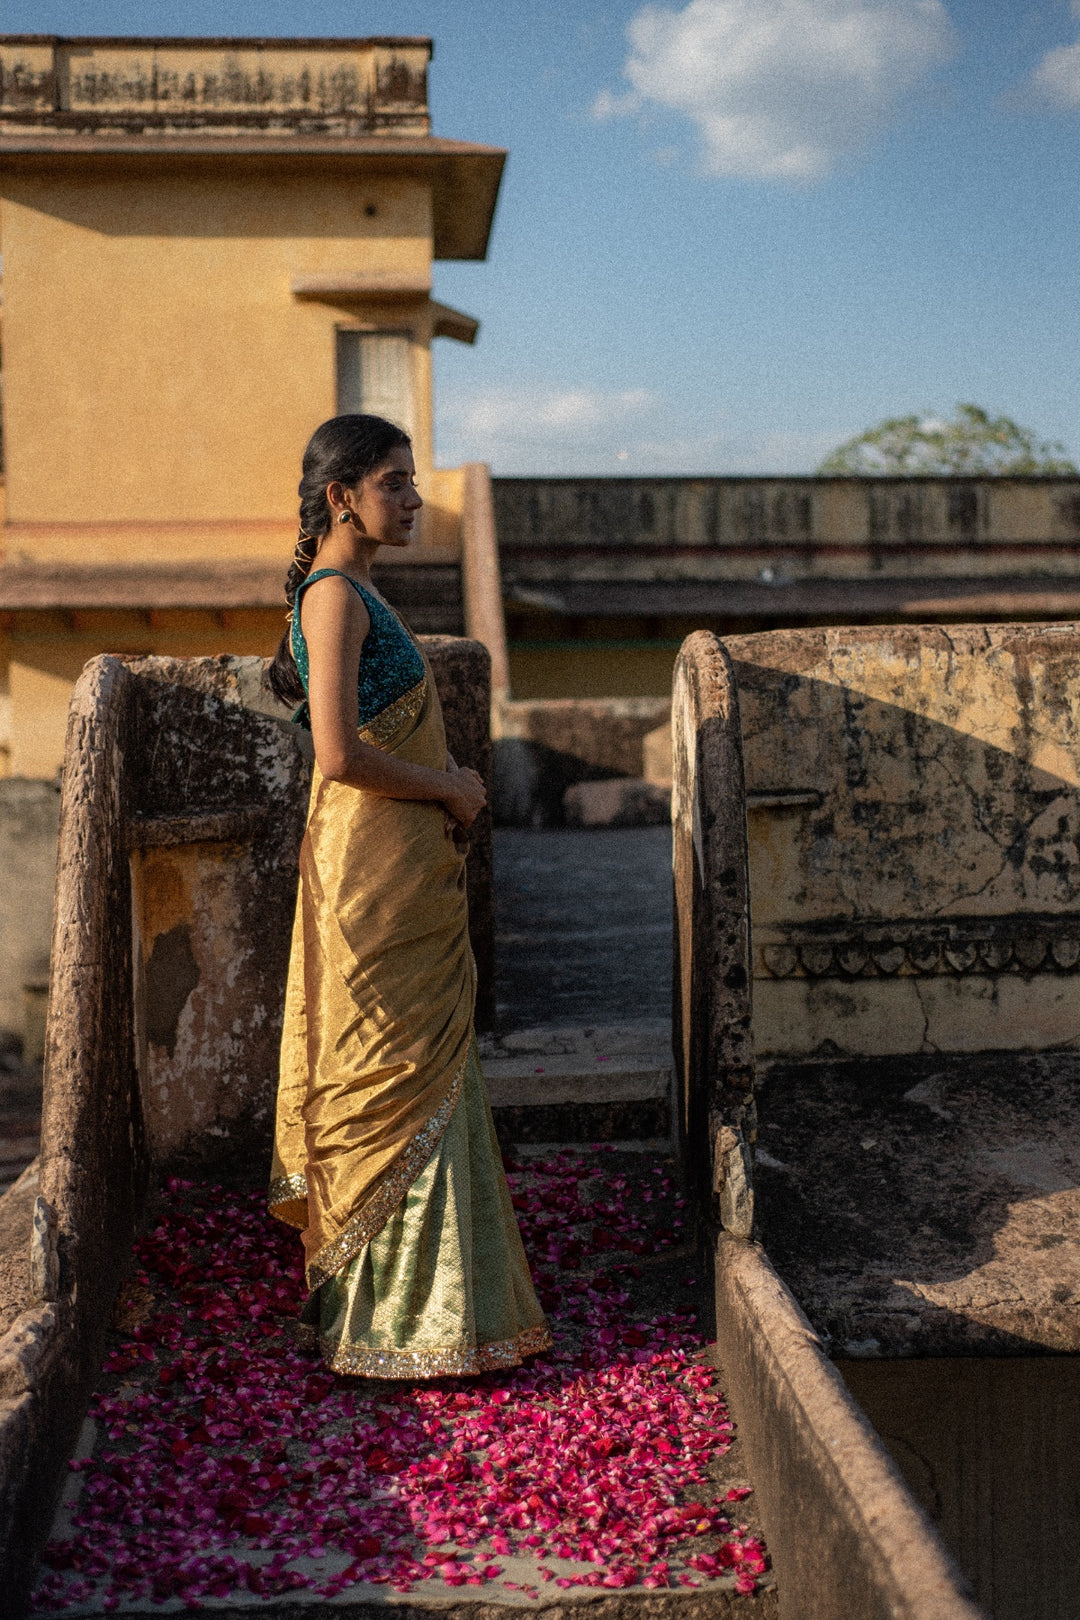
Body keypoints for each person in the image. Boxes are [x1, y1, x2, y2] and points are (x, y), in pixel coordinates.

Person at [265, 414, 550, 1378]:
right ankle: (387, 1324)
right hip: (369, 876)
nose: (415, 499)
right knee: (384, 1072)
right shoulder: (334, 598)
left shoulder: (361, 592)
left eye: (414, 480)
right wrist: (454, 787)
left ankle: (448, 1316)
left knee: (422, 1065)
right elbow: (340, 755)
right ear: (342, 496)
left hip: (398, 871)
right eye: (395, 482)